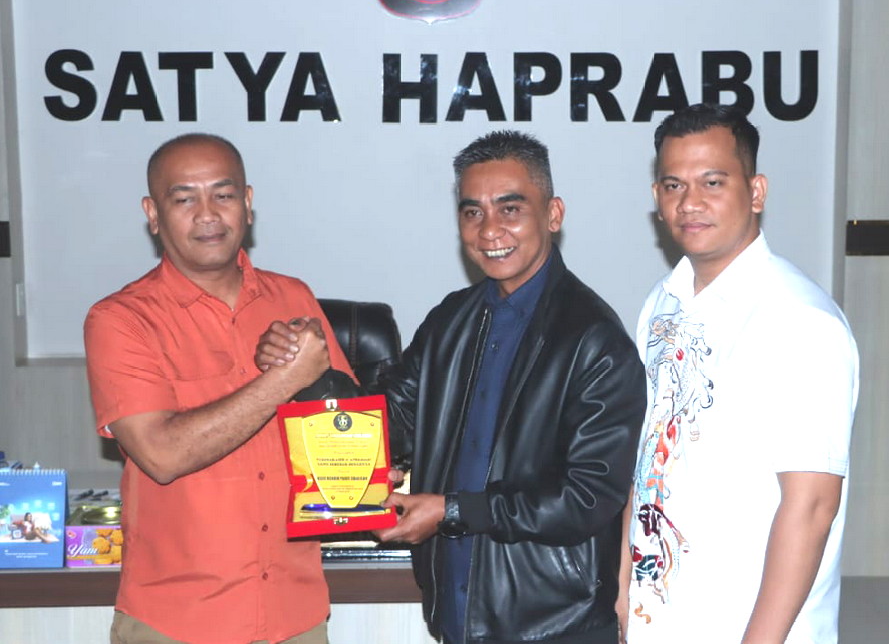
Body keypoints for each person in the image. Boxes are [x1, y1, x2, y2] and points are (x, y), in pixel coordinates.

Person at [262, 130, 645, 644]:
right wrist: (308, 373)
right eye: (472, 212)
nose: (489, 230)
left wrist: (452, 511)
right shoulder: (452, 321)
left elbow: (588, 496)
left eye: (510, 209)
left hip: (555, 626)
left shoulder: (595, 340)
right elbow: (390, 423)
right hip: (457, 618)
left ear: (553, 214)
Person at [85, 133, 355, 644]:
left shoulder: (293, 297)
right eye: (184, 199)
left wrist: (363, 453)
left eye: (223, 195)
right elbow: (162, 454)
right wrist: (281, 381)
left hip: (294, 615)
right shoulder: (120, 320)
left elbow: (347, 436)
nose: (208, 214)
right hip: (177, 622)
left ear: (247, 203)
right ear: (153, 213)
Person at [620, 104, 859, 644]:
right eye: (674, 185)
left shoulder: (800, 320)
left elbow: (812, 506)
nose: (690, 202)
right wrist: (622, 589)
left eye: (712, 182)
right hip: (661, 621)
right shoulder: (662, 303)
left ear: (756, 192)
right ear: (657, 197)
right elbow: (647, 458)